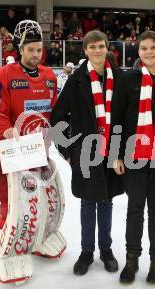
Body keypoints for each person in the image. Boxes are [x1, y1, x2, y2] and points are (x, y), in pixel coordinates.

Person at [0, 20, 58, 262]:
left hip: (37, 152)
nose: (36, 54)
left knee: (37, 202)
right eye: (31, 49)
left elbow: (52, 111)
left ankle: (34, 241)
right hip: (8, 153)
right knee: (11, 203)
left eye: (39, 49)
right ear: (20, 49)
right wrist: (7, 130)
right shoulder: (2, 76)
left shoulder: (49, 76)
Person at [50, 30, 124, 276]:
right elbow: (57, 119)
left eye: (100, 46)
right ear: (85, 51)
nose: (97, 51)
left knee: (106, 201)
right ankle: (86, 251)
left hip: (112, 150)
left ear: (106, 48)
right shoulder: (77, 80)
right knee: (87, 202)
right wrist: (69, 152)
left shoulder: (119, 78)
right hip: (85, 152)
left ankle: (106, 250)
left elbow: (126, 116)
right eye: (92, 47)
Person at [111, 30, 155, 284]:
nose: (148, 52)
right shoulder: (128, 79)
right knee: (134, 209)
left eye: (153, 48)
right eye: (143, 49)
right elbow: (116, 118)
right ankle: (132, 261)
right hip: (134, 153)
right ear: (138, 52)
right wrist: (117, 155)